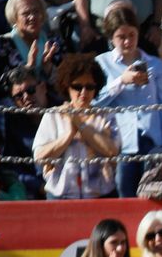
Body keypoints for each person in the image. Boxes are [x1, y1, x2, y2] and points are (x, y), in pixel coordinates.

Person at [95, 6, 162, 196]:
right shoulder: (101, 63)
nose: (128, 41)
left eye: (132, 34)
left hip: (152, 140)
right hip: (121, 142)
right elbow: (94, 102)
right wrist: (121, 81)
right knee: (125, 192)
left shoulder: (156, 64)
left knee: (153, 192)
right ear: (111, 38)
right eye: (121, 37)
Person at [34, 54, 121, 199]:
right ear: (67, 86)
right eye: (77, 87)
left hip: (100, 195)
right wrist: (68, 134)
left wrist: (79, 123)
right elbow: (40, 157)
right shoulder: (52, 115)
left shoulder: (106, 116)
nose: (83, 93)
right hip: (60, 195)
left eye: (90, 87)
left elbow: (112, 151)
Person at [0, 0, 61, 96]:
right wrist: (28, 67)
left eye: (36, 11)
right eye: (26, 13)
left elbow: (65, 81)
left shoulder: (53, 42)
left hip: (50, 100)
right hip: (18, 102)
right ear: (15, 18)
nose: (32, 17)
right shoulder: (4, 43)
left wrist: (48, 68)